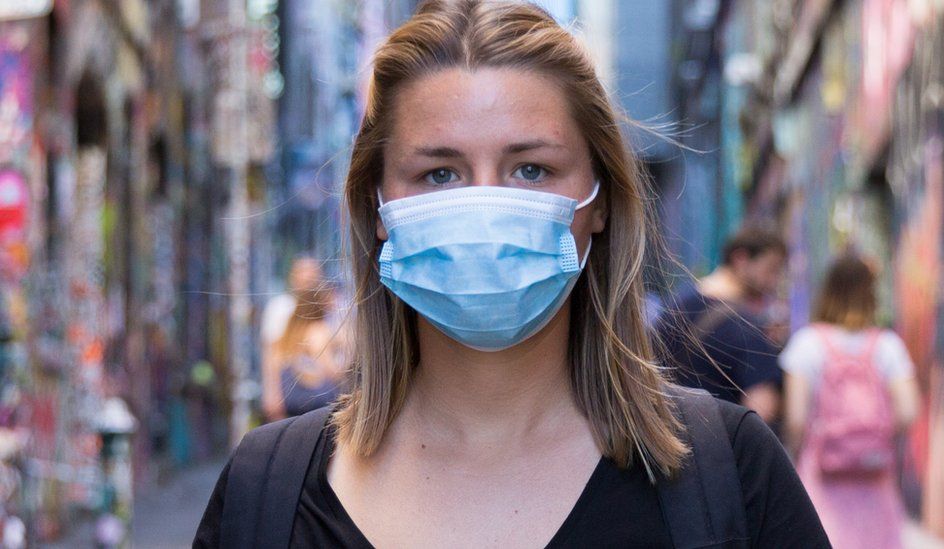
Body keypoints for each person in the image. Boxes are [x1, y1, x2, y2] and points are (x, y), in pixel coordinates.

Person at [194, 1, 828, 547]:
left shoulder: (732, 478)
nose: (486, 207)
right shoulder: (265, 498)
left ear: (600, 201)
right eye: (439, 173)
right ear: (379, 208)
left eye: (531, 169)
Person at [780, 254, 919, 548]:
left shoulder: (807, 343)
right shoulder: (887, 345)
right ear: (871, 293)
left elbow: (795, 419)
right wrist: (872, 438)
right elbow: (908, 410)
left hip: (821, 476)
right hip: (874, 475)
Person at [656, 227, 787, 423]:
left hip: (664, 436)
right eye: (771, 269)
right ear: (741, 259)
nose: (774, 282)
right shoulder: (748, 330)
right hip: (717, 445)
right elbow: (762, 412)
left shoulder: (675, 305)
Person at [261, 282, 349, 421]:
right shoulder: (318, 331)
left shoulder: (287, 333)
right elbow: (330, 371)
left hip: (289, 403)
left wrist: (272, 397)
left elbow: (272, 367)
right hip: (315, 405)